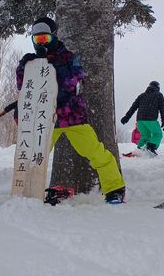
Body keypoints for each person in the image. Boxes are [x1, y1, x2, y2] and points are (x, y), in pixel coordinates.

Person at [14, 17, 126, 204]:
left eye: (45, 39)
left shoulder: (68, 58)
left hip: (72, 117)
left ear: (53, 37)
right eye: (37, 40)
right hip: (45, 120)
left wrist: (53, 68)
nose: (41, 44)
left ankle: (115, 189)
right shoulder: (33, 62)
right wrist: (24, 67)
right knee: (35, 155)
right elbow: (23, 88)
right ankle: (27, 190)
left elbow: (73, 83)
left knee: (96, 152)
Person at [120, 81, 164, 156]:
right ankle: (150, 148)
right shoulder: (158, 95)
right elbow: (162, 109)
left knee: (145, 136)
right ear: (158, 87)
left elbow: (133, 107)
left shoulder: (141, 96)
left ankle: (139, 150)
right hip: (151, 120)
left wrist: (126, 117)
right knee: (157, 134)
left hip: (140, 121)